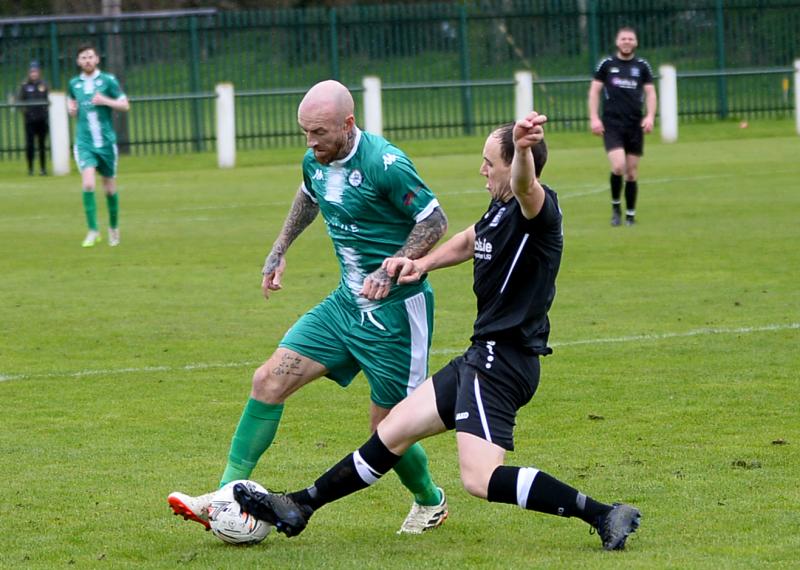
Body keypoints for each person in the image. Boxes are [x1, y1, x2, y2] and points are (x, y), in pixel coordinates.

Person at [233, 112, 642, 551]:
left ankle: (602, 513)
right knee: (392, 431)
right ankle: (300, 506)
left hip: (504, 363)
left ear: (513, 167)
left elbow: (526, 185)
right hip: (480, 355)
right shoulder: (499, 210)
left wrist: (522, 149)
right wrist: (420, 263)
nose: (482, 170)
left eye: (489, 162)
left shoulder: (536, 212)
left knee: (480, 478)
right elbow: (468, 240)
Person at [168, 79, 450, 535]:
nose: (310, 142)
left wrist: (393, 266)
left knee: (388, 428)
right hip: (343, 306)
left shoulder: (385, 163)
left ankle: (430, 501)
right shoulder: (314, 159)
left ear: (348, 123)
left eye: (319, 132)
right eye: (305, 132)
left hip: (395, 314)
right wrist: (279, 249)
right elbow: (308, 194)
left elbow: (434, 220)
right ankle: (223, 499)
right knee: (268, 379)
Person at [588, 26, 657, 226]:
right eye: (623, 38)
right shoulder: (607, 64)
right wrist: (594, 118)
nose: (627, 42)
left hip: (635, 125)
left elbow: (650, 93)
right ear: (617, 42)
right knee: (618, 166)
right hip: (612, 124)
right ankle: (616, 208)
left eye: (630, 39)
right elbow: (594, 91)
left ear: (636, 42)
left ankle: (630, 215)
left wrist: (650, 116)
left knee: (632, 172)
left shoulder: (642, 66)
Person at [67, 44, 129, 248]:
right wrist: (71, 110)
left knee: (109, 188)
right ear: (78, 61)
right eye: (83, 57)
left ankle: (114, 228)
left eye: (90, 57)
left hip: (106, 143)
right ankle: (93, 230)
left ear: (97, 59)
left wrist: (105, 101)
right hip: (85, 143)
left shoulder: (108, 81)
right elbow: (71, 103)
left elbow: (125, 105)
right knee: (88, 184)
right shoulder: (74, 84)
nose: (87, 60)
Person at [18, 60, 49, 176]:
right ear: (29, 72)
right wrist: (25, 112)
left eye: (35, 71)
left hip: (42, 120)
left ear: (39, 72)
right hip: (30, 121)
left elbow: (49, 100)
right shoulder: (25, 86)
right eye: (32, 71)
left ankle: (43, 169)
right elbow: (20, 101)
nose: (34, 74)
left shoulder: (44, 84)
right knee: (30, 145)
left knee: (42, 145)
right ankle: (30, 169)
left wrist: (45, 112)